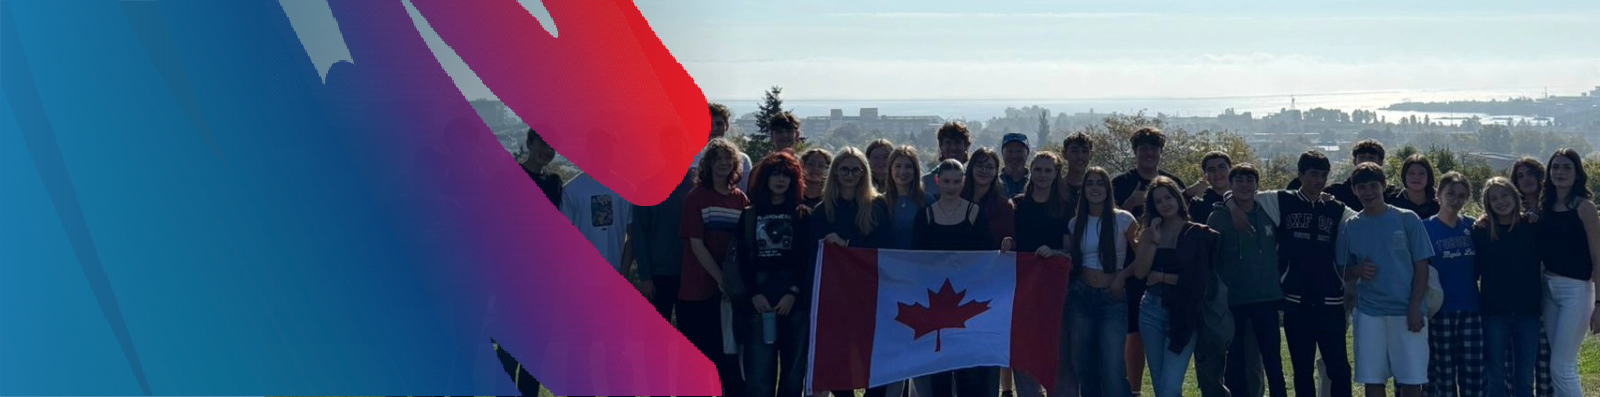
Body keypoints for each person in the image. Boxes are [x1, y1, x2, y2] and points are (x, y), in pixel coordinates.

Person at [1240, 151, 1353, 397]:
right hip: (1296, 301)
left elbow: (1363, 222)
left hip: (1330, 301)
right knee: (1302, 371)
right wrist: (1229, 202)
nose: (1319, 181)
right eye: (1313, 174)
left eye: (1323, 175)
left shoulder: (1336, 209)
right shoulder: (1281, 200)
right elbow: (1241, 194)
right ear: (1300, 174)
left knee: (1340, 369)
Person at [1335, 162, 1434, 397]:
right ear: (1354, 190)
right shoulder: (1351, 226)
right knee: (1373, 379)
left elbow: (1422, 267)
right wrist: (1358, 270)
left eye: (1373, 186)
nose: (1368, 192)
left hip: (1407, 311)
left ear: (1384, 186)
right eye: (1362, 187)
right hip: (1369, 313)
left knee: (1411, 380)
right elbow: (1342, 270)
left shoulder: (1407, 219)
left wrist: (1414, 307)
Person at [1109, 127, 1192, 392]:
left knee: (1167, 343)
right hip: (1131, 267)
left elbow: (1187, 218)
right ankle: (1134, 389)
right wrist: (1129, 204)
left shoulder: (1171, 182)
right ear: (1135, 152)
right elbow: (1105, 221)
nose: (1148, 153)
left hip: (1170, 275)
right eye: (1143, 148)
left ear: (1160, 152)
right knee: (1133, 332)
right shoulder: (1121, 182)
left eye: (1153, 148)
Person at [916, 159, 1001, 397]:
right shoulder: (925, 216)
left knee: (968, 374)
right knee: (939, 373)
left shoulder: (975, 213)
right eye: (946, 181)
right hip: (934, 302)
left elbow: (986, 257)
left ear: (964, 182)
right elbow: (914, 261)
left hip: (966, 300)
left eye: (956, 181)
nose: (951, 186)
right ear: (937, 181)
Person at [811, 147, 891, 397]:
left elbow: (885, 248)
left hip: (870, 295)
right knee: (837, 359)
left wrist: (848, 246)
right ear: (835, 173)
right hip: (835, 298)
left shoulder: (877, 206)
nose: (850, 175)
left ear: (864, 173)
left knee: (874, 358)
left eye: (856, 170)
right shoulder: (822, 210)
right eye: (844, 169)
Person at [733, 152, 814, 397]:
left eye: (786, 175)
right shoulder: (749, 214)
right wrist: (754, 294)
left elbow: (806, 258)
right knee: (759, 375)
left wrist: (793, 292)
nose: (780, 180)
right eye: (775, 174)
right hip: (759, 301)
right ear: (764, 178)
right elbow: (744, 261)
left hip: (794, 302)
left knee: (792, 375)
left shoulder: (802, 214)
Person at [1130, 176, 1219, 397]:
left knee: (1170, 385)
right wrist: (1155, 240)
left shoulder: (1199, 234)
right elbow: (1140, 273)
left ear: (1178, 198)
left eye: (1168, 197)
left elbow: (1199, 280)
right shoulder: (1150, 233)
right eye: (1158, 201)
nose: (1165, 204)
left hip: (1184, 312)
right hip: (1151, 309)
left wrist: (1161, 276)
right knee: (1161, 386)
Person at [1206, 163, 1288, 397]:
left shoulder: (1269, 211)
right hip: (1233, 300)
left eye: (1249, 180)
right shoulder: (1218, 218)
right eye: (1239, 180)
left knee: (1273, 360)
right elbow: (1211, 258)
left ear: (1257, 185)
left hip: (1267, 297)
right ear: (1231, 185)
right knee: (1236, 361)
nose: (1244, 185)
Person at [679, 138, 751, 397]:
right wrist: (721, 279)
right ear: (707, 164)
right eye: (717, 158)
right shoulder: (696, 197)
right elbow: (696, 245)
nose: (723, 163)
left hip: (729, 293)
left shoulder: (740, 199)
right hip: (699, 290)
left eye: (727, 158)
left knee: (729, 359)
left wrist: (732, 283)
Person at [1008, 152, 1077, 397]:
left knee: (1060, 350)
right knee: (1024, 349)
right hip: (1024, 290)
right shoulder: (1017, 204)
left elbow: (1071, 249)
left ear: (1056, 173)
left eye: (1048, 170)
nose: (1043, 175)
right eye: (1038, 170)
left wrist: (1055, 252)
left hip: (1058, 290)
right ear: (1031, 171)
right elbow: (1012, 241)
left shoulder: (1068, 205)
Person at [1533, 149, 1599, 397]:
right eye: (1555, 167)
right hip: (1549, 289)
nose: (1560, 172)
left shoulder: (1585, 208)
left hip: (1577, 290)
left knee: (1562, 367)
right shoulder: (1546, 206)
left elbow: (1597, 257)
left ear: (1577, 173)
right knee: (1557, 366)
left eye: (1566, 167)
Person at [1068, 167, 1137, 397]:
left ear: (1108, 189)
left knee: (1112, 368)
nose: (1095, 188)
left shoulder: (1123, 219)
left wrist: (1122, 277)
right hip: (1081, 297)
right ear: (1083, 189)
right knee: (1083, 364)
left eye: (1100, 183)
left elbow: (1142, 258)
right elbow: (1068, 259)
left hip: (1112, 297)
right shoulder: (1075, 223)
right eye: (1090, 184)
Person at [1474, 177, 1542, 397]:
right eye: (1493, 198)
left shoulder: (1531, 227)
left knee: (1524, 376)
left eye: (1504, 195)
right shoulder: (1482, 231)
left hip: (1528, 312)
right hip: (1494, 312)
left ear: (1514, 195)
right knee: (1495, 374)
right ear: (1487, 204)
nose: (1500, 201)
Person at [1423, 172, 1483, 397]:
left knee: (1473, 373)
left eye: (1461, 196)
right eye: (1450, 194)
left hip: (1471, 308)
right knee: (1444, 375)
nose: (1455, 200)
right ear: (1438, 195)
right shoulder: (1424, 228)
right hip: (1440, 310)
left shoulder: (1474, 226)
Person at [1508, 156, 1557, 397]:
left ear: (1540, 176)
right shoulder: (1511, 211)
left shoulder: (1554, 207)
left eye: (1530, 173)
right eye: (1520, 175)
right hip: (1522, 291)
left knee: (1549, 353)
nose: (1525, 179)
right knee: (1522, 355)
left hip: (1555, 284)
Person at [629, 158, 696, 328]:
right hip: (658, 275)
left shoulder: (698, 185)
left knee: (693, 337)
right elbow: (639, 235)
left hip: (692, 273)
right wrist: (645, 277)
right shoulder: (647, 187)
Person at [560, 169, 634, 275]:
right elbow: (564, 236)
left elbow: (633, 235)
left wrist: (624, 270)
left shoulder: (626, 188)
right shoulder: (571, 190)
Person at [1293, 139, 1395, 212]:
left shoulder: (1392, 195)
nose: (1366, 162)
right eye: (1362, 157)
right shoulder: (1336, 192)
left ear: (1380, 162)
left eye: (1371, 158)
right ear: (1354, 161)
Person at [963, 148, 1017, 249]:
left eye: (989, 167)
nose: (984, 171)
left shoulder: (1004, 206)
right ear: (971, 168)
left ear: (996, 171)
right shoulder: (956, 200)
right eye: (979, 166)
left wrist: (1009, 243)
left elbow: (1011, 240)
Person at [886, 146, 932, 250]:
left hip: (919, 263)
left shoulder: (927, 201)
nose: (902, 171)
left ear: (916, 170)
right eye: (898, 166)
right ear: (890, 169)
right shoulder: (880, 202)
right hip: (888, 264)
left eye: (908, 167)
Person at [705, 103, 755, 191]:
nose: (713, 128)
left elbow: (746, 192)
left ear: (726, 126)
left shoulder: (742, 159)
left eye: (719, 124)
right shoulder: (689, 159)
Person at [924, 121, 974, 192]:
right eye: (948, 143)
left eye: (957, 143)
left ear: (966, 146)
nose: (953, 148)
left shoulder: (974, 181)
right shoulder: (927, 182)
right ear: (941, 146)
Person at [1388, 154, 1440, 220]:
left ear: (1428, 176)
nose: (1416, 177)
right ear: (1404, 176)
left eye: (1421, 173)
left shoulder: (1440, 202)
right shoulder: (1393, 203)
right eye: (1411, 173)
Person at [521, 128, 563, 207]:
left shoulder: (554, 181)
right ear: (529, 144)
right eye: (543, 144)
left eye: (553, 146)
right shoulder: (507, 177)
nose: (548, 150)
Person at [1190, 151, 1232, 222]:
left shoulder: (1245, 198)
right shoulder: (1199, 204)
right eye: (1211, 169)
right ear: (1205, 175)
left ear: (1231, 170)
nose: (1217, 173)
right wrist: (1190, 192)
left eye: (1222, 167)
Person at [1060, 132, 1093, 212]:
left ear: (1091, 155)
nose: (1080, 156)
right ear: (1064, 154)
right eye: (1074, 151)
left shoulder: (1097, 189)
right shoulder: (1056, 188)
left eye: (1085, 151)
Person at [1000, 132, 1032, 197]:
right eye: (1010, 151)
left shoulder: (1036, 182)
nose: (1014, 156)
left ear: (1027, 153)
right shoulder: (994, 183)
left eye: (1019, 151)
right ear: (1002, 153)